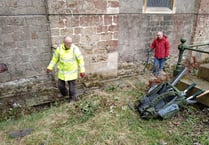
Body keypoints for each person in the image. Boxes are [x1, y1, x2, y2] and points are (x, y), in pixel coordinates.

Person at [46, 36, 85, 102]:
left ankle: (72, 100)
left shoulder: (75, 49)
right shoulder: (59, 49)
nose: (70, 44)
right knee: (60, 86)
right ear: (64, 43)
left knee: (72, 89)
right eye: (68, 43)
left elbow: (80, 60)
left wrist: (82, 70)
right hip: (62, 73)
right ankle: (65, 95)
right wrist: (50, 67)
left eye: (71, 43)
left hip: (72, 73)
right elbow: (54, 59)